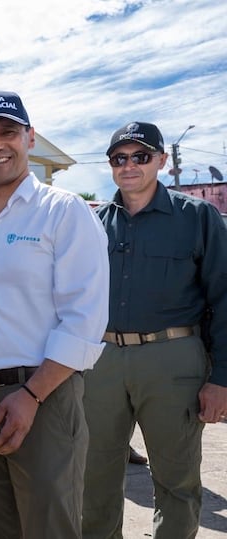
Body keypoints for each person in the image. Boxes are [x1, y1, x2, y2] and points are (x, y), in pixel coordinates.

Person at [0, 91, 109, 538]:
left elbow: (84, 318)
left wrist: (32, 395)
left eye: (8, 133)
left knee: (49, 528)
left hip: (44, 394)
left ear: (30, 138)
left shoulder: (64, 212)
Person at [83, 121, 227, 539]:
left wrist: (221, 379)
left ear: (162, 161)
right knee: (93, 481)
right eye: (119, 158)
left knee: (176, 483)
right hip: (102, 362)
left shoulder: (197, 216)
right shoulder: (94, 223)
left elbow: (223, 297)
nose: (130, 166)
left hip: (173, 359)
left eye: (141, 156)